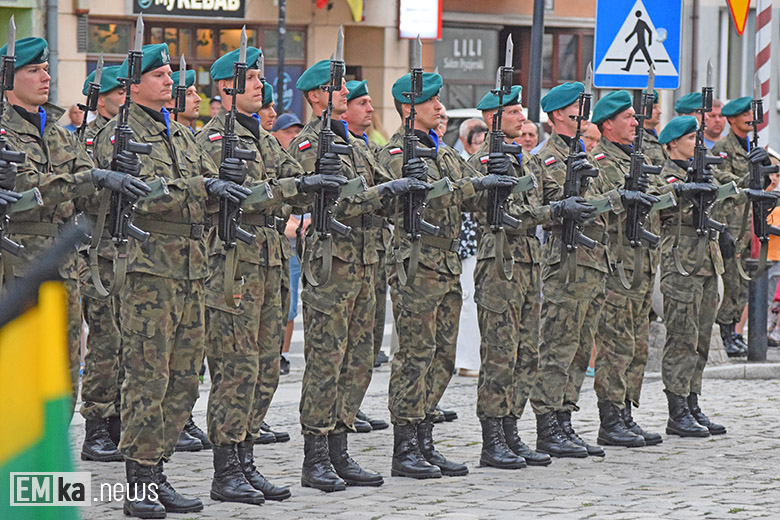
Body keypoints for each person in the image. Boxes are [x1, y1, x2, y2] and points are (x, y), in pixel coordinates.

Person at [92, 42, 250, 518]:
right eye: (159, 75)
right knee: (147, 378)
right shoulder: (120, 134)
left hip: (191, 269)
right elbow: (143, 194)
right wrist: (205, 186)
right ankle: (139, 482)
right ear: (133, 84)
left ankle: (157, 469)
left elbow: (204, 190)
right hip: (147, 271)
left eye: (169, 74)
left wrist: (225, 186)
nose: (170, 82)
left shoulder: (180, 134)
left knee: (183, 380)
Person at [288, 59, 429, 492]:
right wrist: (385, 191)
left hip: (368, 263)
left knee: (359, 361)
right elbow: (332, 201)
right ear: (316, 96)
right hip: (333, 265)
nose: (345, 92)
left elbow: (383, 187)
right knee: (327, 361)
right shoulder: (311, 144)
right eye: (337, 86)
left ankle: (339, 447)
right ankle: (315, 456)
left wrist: (408, 182)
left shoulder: (356, 143)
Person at [198, 46, 330, 505]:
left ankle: (246, 458)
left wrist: (318, 177)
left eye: (259, 76)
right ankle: (226, 469)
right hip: (234, 265)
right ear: (226, 87)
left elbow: (295, 185)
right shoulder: (214, 140)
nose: (261, 84)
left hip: (271, 260)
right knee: (236, 369)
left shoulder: (265, 139)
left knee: (266, 368)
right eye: (252, 78)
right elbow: (244, 195)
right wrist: (297, 186)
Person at [0, 36, 149, 423]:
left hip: (63, 268)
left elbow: (91, 198)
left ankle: (54, 450)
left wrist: (119, 180)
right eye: (34, 70)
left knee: (63, 374)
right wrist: (94, 178)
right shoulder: (3, 133)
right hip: (14, 269)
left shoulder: (61, 135)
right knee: (16, 371)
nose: (45, 77)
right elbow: (27, 188)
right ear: (7, 78)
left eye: (46, 69)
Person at [376, 71, 517, 479]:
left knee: (442, 356)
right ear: (409, 108)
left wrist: (494, 171)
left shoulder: (444, 154)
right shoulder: (396, 152)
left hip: (448, 263)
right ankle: (405, 447)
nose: (440, 108)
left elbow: (469, 188)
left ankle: (424, 438)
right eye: (431, 101)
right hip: (417, 263)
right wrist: (474, 184)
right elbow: (392, 201)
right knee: (415, 356)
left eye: (439, 101)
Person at [526, 82, 624, 459]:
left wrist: (613, 199)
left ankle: (565, 420)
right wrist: (563, 207)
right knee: (558, 346)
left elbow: (602, 201)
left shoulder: (585, 155)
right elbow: (535, 209)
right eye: (576, 108)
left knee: (581, 348)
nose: (583, 114)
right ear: (558, 115)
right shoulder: (545, 158)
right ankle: (547, 425)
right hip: (565, 262)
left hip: (594, 262)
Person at [469, 84, 561, 469]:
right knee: (500, 353)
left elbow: (545, 199)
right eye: (512, 112)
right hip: (500, 260)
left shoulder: (528, 161)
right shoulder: (482, 162)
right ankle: (492, 438)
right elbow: (482, 207)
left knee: (528, 352)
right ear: (493, 118)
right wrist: (552, 213)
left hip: (529, 259)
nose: (522, 118)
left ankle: (511, 429)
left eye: (521, 111)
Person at [589, 90, 662, 448]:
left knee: (636, 345)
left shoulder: (638, 157)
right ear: (608, 124)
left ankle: (626, 413)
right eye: (628, 118)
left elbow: (661, 196)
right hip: (617, 265)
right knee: (615, 344)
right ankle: (610, 418)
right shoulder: (601, 161)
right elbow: (598, 207)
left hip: (642, 263)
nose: (636, 122)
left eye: (635, 116)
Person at [656, 115, 726, 437]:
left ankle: (693, 401)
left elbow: (729, 193)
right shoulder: (664, 174)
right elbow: (660, 204)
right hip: (681, 263)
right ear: (672, 143)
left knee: (701, 339)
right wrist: (685, 189)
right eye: (690, 139)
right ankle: (677, 410)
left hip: (708, 261)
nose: (698, 144)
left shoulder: (703, 171)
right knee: (682, 337)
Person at [78, 64, 131, 463]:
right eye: (119, 93)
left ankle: (117, 421)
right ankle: (96, 426)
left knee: (127, 341)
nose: (126, 98)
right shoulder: (92, 140)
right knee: (105, 341)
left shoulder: (126, 134)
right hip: (97, 255)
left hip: (127, 252)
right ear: (102, 99)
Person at [341, 78, 391, 431]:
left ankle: (351, 407)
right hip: (343, 254)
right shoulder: (328, 144)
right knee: (341, 344)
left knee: (366, 342)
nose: (370, 109)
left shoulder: (368, 148)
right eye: (362, 103)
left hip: (372, 251)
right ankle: (337, 416)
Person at [712, 96, 756, 358]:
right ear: (732, 119)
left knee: (744, 280)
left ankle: (736, 332)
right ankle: (726, 332)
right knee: (730, 279)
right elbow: (728, 186)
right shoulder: (723, 148)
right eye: (744, 114)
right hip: (732, 223)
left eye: (751, 113)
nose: (750, 118)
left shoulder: (752, 146)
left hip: (749, 224)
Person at [641, 89, 667, 166]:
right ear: (642, 110)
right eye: (654, 108)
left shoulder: (655, 136)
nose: (659, 111)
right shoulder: (637, 138)